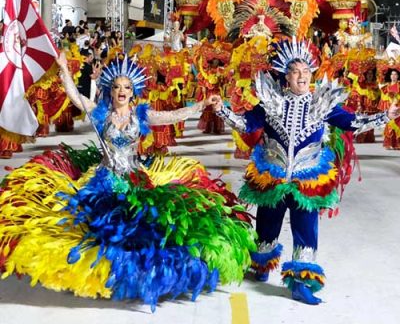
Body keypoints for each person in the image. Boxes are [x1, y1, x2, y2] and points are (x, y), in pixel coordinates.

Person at [0, 51, 256, 311]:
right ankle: (101, 269)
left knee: (140, 225)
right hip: (105, 176)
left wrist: (201, 106)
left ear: (134, 92)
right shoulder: (99, 113)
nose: (121, 91)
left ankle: (134, 274)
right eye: (116, 87)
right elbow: (75, 98)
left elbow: (173, 116)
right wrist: (64, 69)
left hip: (134, 177)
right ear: (110, 91)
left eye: (126, 87)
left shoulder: (141, 115)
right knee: (98, 224)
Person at [211, 38, 399, 305]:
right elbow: (245, 124)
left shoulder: (321, 103)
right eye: (296, 71)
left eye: (306, 72)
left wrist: (384, 117)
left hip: (307, 179)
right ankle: (261, 266)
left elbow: (351, 122)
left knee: (306, 230)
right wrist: (221, 110)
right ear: (286, 76)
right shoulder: (270, 101)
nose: (302, 76)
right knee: (266, 226)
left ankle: (301, 283)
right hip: (272, 175)